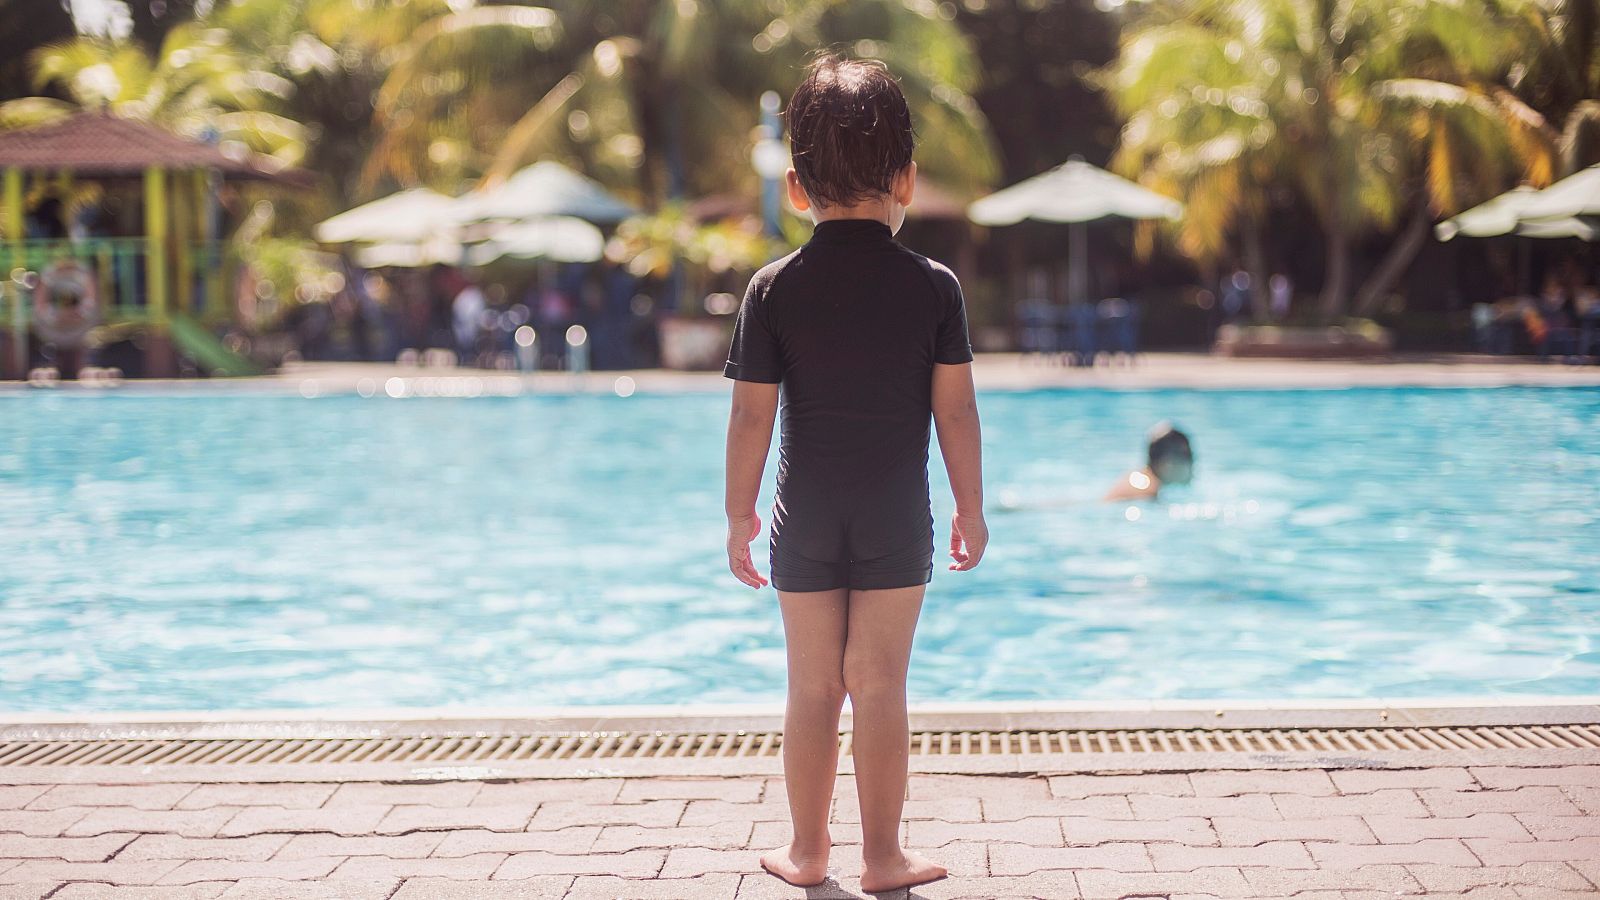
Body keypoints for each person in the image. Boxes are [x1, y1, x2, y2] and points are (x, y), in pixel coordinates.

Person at [722, 54, 986, 894]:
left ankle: (807, 853)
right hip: (896, 515)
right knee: (880, 685)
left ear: (796, 187)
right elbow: (956, 413)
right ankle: (882, 858)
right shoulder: (935, 288)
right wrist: (970, 508)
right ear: (907, 179)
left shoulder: (773, 290)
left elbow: (752, 415)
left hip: (806, 515)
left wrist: (738, 514)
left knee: (811, 686)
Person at [1104, 422, 1195, 501]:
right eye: (1188, 456)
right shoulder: (1147, 493)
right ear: (1167, 463)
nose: (1193, 463)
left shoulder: (1137, 479)